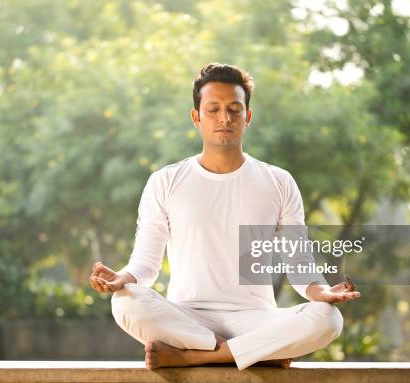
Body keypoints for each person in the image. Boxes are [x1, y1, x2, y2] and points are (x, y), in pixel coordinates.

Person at [89, 63, 361, 370]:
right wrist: (121, 278)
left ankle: (197, 356)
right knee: (125, 302)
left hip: (255, 318)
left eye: (234, 109)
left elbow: (299, 266)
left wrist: (321, 291)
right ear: (197, 117)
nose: (224, 118)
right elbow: (146, 264)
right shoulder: (165, 181)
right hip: (187, 317)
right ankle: (254, 353)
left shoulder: (278, 181)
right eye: (213, 109)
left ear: (248, 116)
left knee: (327, 318)